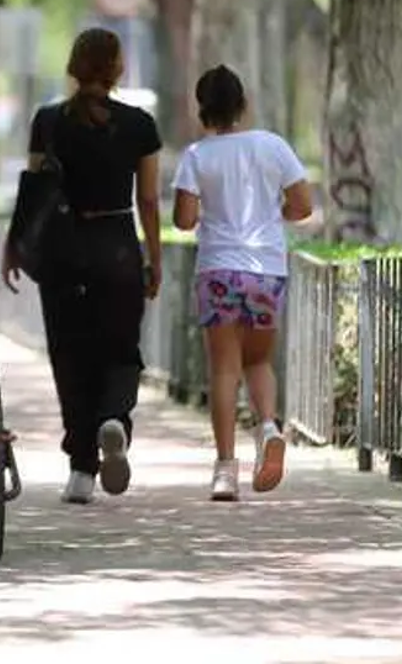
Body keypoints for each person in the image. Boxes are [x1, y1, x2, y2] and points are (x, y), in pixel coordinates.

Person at [1, 28, 162, 504]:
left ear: (73, 67)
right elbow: (148, 199)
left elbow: (33, 190)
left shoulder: (48, 120)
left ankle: (81, 470)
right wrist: (154, 257)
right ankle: (114, 419)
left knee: (69, 356)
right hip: (117, 247)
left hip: (62, 252)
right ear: (117, 69)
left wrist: (13, 245)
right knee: (121, 350)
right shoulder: (139, 124)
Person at [171, 66, 313, 501]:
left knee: (224, 370)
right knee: (258, 361)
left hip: (219, 269)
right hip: (267, 270)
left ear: (202, 109)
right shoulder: (272, 145)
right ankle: (268, 428)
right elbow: (303, 206)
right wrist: (274, 215)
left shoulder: (197, 156)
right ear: (242, 105)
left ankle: (225, 471)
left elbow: (184, 220)